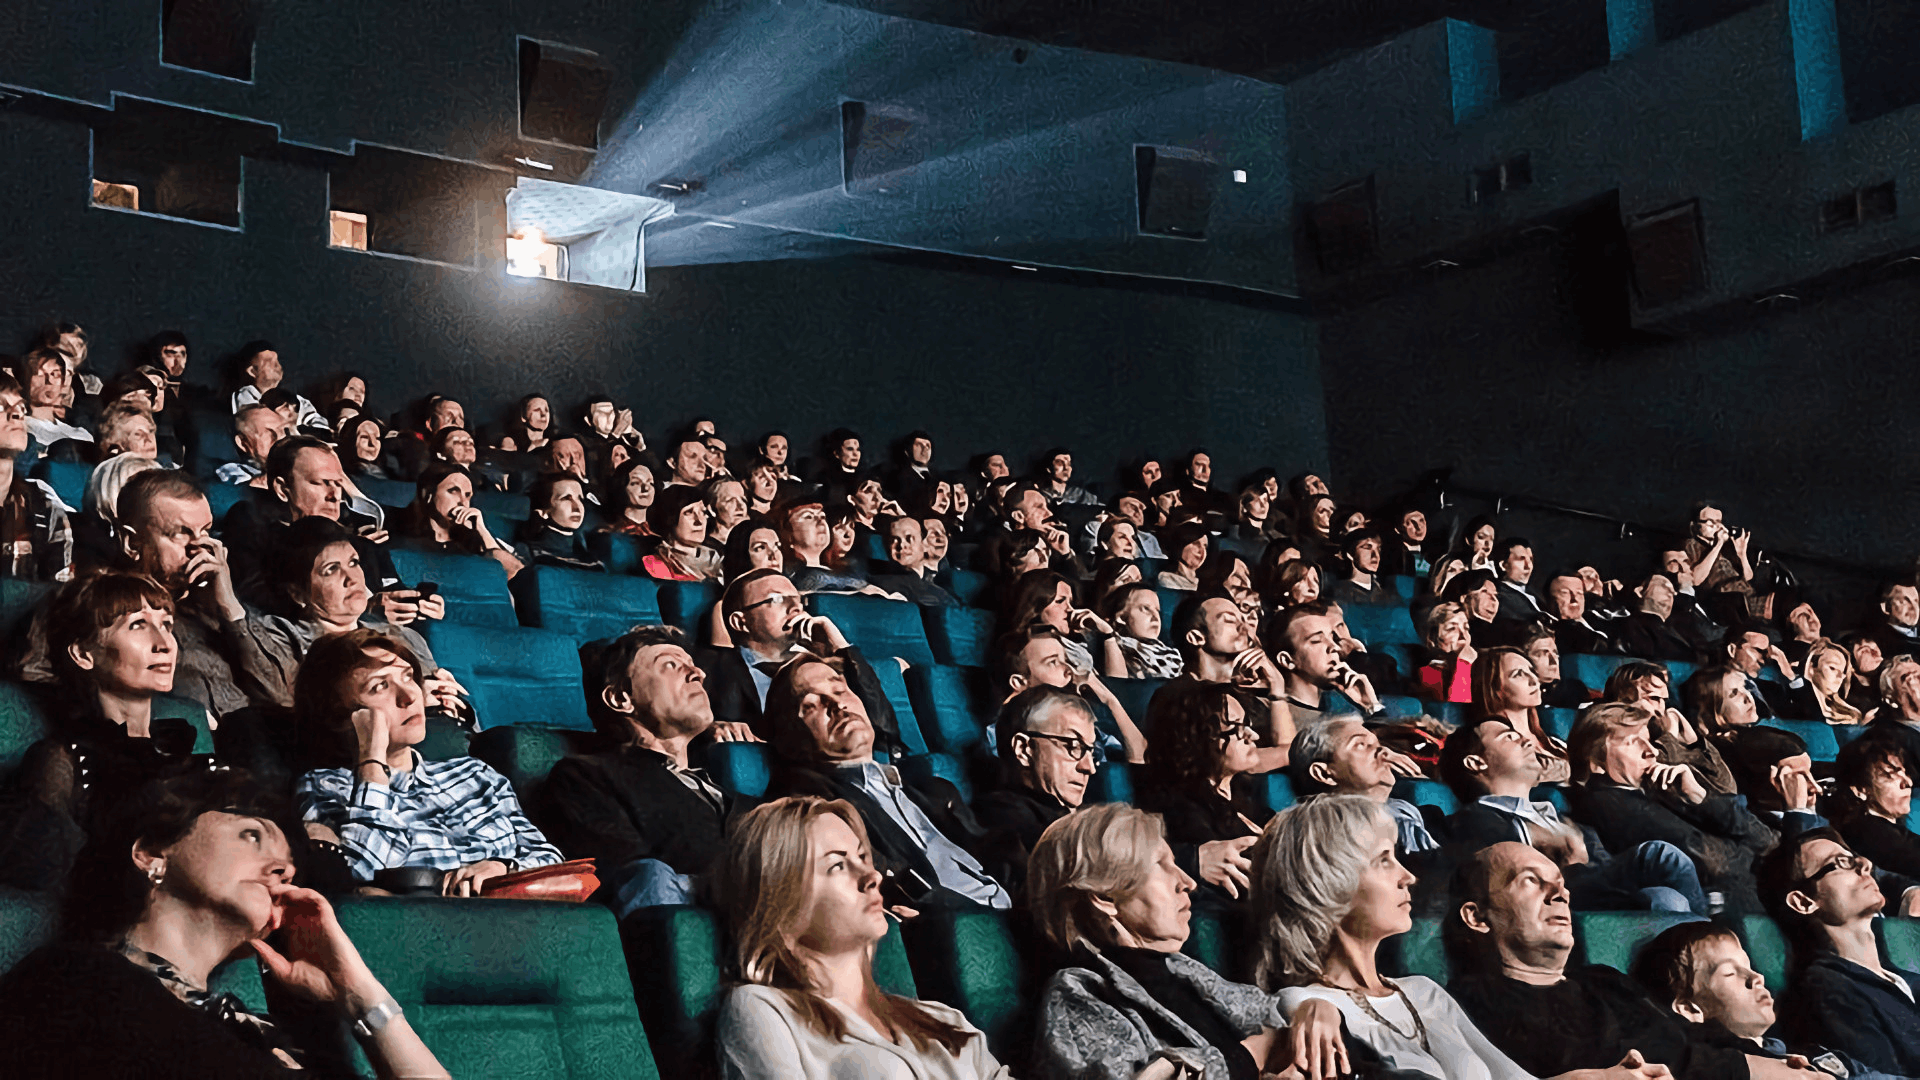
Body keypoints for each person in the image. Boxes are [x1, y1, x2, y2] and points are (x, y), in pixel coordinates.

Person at [0, 770, 451, 1078]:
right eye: (251, 835)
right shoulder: (71, 979)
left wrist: (357, 993)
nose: (283, 869)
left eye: (291, 865)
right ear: (152, 854)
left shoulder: (257, 1027)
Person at [1250, 795, 1666, 1080]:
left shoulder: (1423, 991)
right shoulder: (1306, 1007)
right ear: (1326, 885)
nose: (1407, 876)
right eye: (1384, 861)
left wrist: (1610, 1074)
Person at [712, 796, 1010, 1080]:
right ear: (781, 906)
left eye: (862, 856)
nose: (872, 876)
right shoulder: (762, 1009)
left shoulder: (943, 1018)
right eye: (837, 865)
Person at [1446, 842, 1779, 1080]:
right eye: (1531, 881)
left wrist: (1782, 1064)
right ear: (1477, 916)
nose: (1560, 895)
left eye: (1562, 885)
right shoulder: (1470, 1005)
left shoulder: (1604, 981)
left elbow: (1689, 1041)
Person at [1027, 802, 1304, 1080]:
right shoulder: (1080, 994)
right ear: (1106, 898)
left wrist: (1319, 1010)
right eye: (1161, 865)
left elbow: (1272, 1015)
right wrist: (1251, 1056)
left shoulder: (1178, 968)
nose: (1187, 882)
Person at [292, 628, 563, 891]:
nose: (410, 696)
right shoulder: (325, 787)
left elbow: (551, 861)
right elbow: (360, 872)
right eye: (380, 686)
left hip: (518, 919)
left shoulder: (475, 773)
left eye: (409, 677)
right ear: (341, 716)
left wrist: (504, 868)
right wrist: (372, 759)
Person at [761, 656, 1011, 911]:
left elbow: (999, 853)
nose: (837, 704)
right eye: (811, 704)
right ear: (792, 740)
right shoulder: (818, 809)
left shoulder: (935, 792)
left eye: (840, 690)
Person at [545, 625, 755, 915]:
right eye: (671, 665)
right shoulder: (586, 777)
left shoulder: (735, 796)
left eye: (692, 665)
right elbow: (641, 884)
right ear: (621, 699)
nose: (699, 674)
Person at [1440, 723, 1708, 913]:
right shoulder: (1474, 819)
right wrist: (1570, 858)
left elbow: (1601, 866)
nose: (1525, 739)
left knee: (1665, 899)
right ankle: (1708, 943)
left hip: (1597, 897)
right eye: (1509, 737)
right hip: (1554, 899)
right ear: (1476, 763)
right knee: (1659, 855)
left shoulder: (1559, 816)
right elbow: (1508, 874)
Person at [1631, 920, 1903, 1080]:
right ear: (1690, 1008)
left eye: (1748, 965)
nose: (1756, 977)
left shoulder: (1817, 1055)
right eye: (1729, 973)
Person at [1566, 704, 1774, 913]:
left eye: (1648, 739)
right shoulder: (1606, 804)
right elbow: (1710, 861)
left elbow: (1766, 839)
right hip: (1726, 910)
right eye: (1632, 743)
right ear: (1595, 762)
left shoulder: (1661, 784)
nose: (1652, 751)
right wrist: (1764, 858)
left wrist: (1698, 796)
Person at [240, 516, 457, 716]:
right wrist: (414, 698)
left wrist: (452, 704)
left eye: (353, 563)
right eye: (331, 569)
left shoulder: (404, 637)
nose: (351, 578)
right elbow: (298, 709)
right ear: (298, 593)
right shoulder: (281, 639)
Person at [1759, 828, 1920, 1076]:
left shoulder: (1902, 978)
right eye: (1839, 863)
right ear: (1803, 902)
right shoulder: (1826, 991)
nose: (1864, 864)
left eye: (1854, 856)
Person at [701, 569, 905, 749]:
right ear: (740, 622)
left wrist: (840, 647)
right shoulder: (709, 666)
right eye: (777, 600)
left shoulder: (822, 666)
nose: (795, 608)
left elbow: (885, 732)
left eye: (797, 599)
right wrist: (707, 729)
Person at [1139, 680, 1275, 905]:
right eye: (1237, 728)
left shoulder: (1244, 799)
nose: (1253, 736)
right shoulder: (1181, 813)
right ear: (1196, 737)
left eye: (1247, 724)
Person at [971, 685, 1101, 891]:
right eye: (1073, 746)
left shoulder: (1072, 815)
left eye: (1091, 752)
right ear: (1024, 749)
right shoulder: (1004, 820)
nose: (1089, 767)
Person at [1290, 718, 1443, 865]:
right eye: (1361, 744)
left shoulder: (1418, 815)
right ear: (1324, 773)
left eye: (1377, 743)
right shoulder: (1327, 839)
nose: (1384, 751)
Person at [390, 463, 525, 579]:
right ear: (428, 495)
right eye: (453, 491)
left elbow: (519, 575)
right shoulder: (403, 540)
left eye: (468, 495)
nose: (463, 502)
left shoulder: (477, 544)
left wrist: (482, 530)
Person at [0, 372, 72, 581]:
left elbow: (61, 596)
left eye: (21, 407)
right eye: (1, 407)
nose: (17, 415)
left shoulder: (43, 506)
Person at [1271, 603, 1388, 727]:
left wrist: (1371, 706)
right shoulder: (1279, 718)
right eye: (1316, 640)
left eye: (1332, 637)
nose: (1335, 647)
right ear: (1287, 660)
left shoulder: (1343, 705)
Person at [1828, 729, 1920, 879]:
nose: (1908, 782)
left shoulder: (1889, 825)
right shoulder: (1869, 833)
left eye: (1904, 772)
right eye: (1890, 777)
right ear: (1860, 790)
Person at [1469, 645, 1569, 782]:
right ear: (1495, 688)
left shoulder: (1555, 743)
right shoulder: (1494, 745)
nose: (1534, 680)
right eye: (1518, 674)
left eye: (1532, 671)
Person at [1682, 504, 1769, 626]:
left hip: (1747, 597)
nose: (1716, 526)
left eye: (1718, 522)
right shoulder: (1691, 545)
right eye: (1709, 522)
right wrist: (1718, 545)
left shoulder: (1727, 547)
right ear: (1695, 525)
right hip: (1724, 601)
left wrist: (1742, 554)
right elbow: (1695, 580)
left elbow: (1748, 579)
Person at [637, 483, 722, 580]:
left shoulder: (715, 558)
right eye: (688, 512)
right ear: (670, 519)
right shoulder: (655, 564)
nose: (699, 521)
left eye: (703, 512)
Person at [869, 514, 957, 606]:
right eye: (894, 540)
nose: (902, 545)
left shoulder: (940, 584)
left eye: (909, 538)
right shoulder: (881, 583)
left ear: (925, 544)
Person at [1105, 581, 1185, 679]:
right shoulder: (1118, 652)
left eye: (1157, 611)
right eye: (1146, 608)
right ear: (1121, 617)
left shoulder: (1171, 657)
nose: (1156, 617)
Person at [1416, 601, 1477, 704]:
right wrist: (1464, 664)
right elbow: (1453, 709)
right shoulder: (1429, 674)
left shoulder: (1481, 665)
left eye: (1466, 628)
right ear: (1433, 638)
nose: (1463, 636)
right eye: (1451, 629)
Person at [1546, 572, 1619, 657]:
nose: (1574, 599)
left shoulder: (1600, 620)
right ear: (1551, 602)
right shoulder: (1558, 637)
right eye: (1565, 593)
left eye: (1579, 593)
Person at [1799, 638, 1870, 725]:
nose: (1840, 677)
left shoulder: (1852, 714)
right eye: (1833, 668)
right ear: (1811, 667)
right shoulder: (1799, 705)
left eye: (1843, 672)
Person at [217, 404, 290, 486]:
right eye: (270, 434)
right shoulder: (232, 475)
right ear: (243, 443)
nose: (283, 438)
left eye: (284, 431)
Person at [1521, 625, 1590, 709]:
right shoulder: (1519, 696)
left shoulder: (1574, 690)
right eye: (1542, 654)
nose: (1553, 662)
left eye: (1555, 654)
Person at [1493, 538, 1550, 626]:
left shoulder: (1534, 595)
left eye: (1530, 559)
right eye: (1521, 559)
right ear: (1503, 565)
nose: (1528, 566)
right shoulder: (1500, 595)